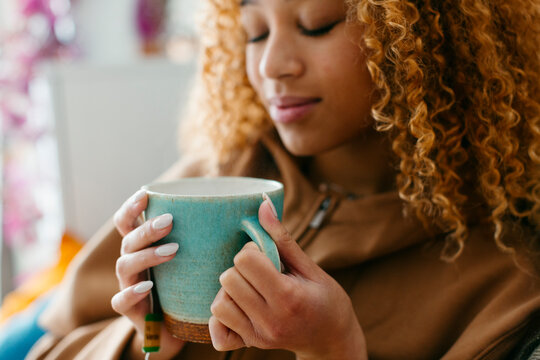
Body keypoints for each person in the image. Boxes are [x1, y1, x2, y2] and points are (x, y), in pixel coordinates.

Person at [27, 0, 540, 359]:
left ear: (425, 36)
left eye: (315, 24)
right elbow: (43, 346)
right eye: (255, 31)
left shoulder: (504, 267)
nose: (272, 64)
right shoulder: (215, 172)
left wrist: (333, 348)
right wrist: (151, 338)